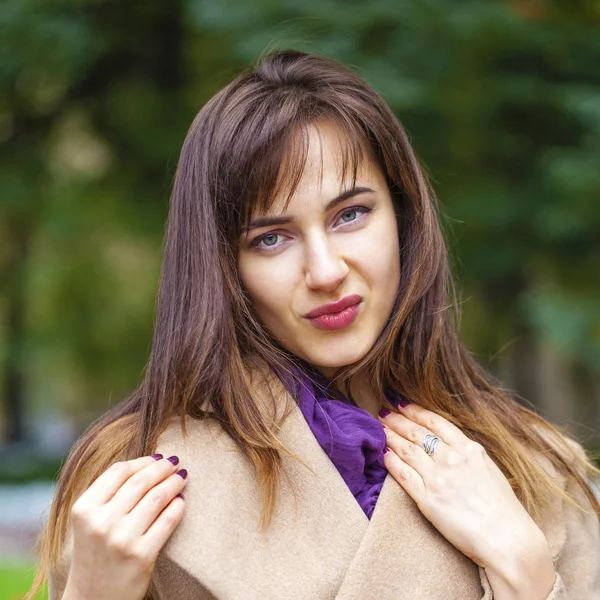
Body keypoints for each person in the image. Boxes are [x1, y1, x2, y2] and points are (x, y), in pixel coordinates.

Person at [27, 49, 600, 600]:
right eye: (271, 238)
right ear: (223, 266)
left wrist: (525, 571)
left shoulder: (536, 468)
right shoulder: (139, 481)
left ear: (402, 218)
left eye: (351, 214)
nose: (325, 271)